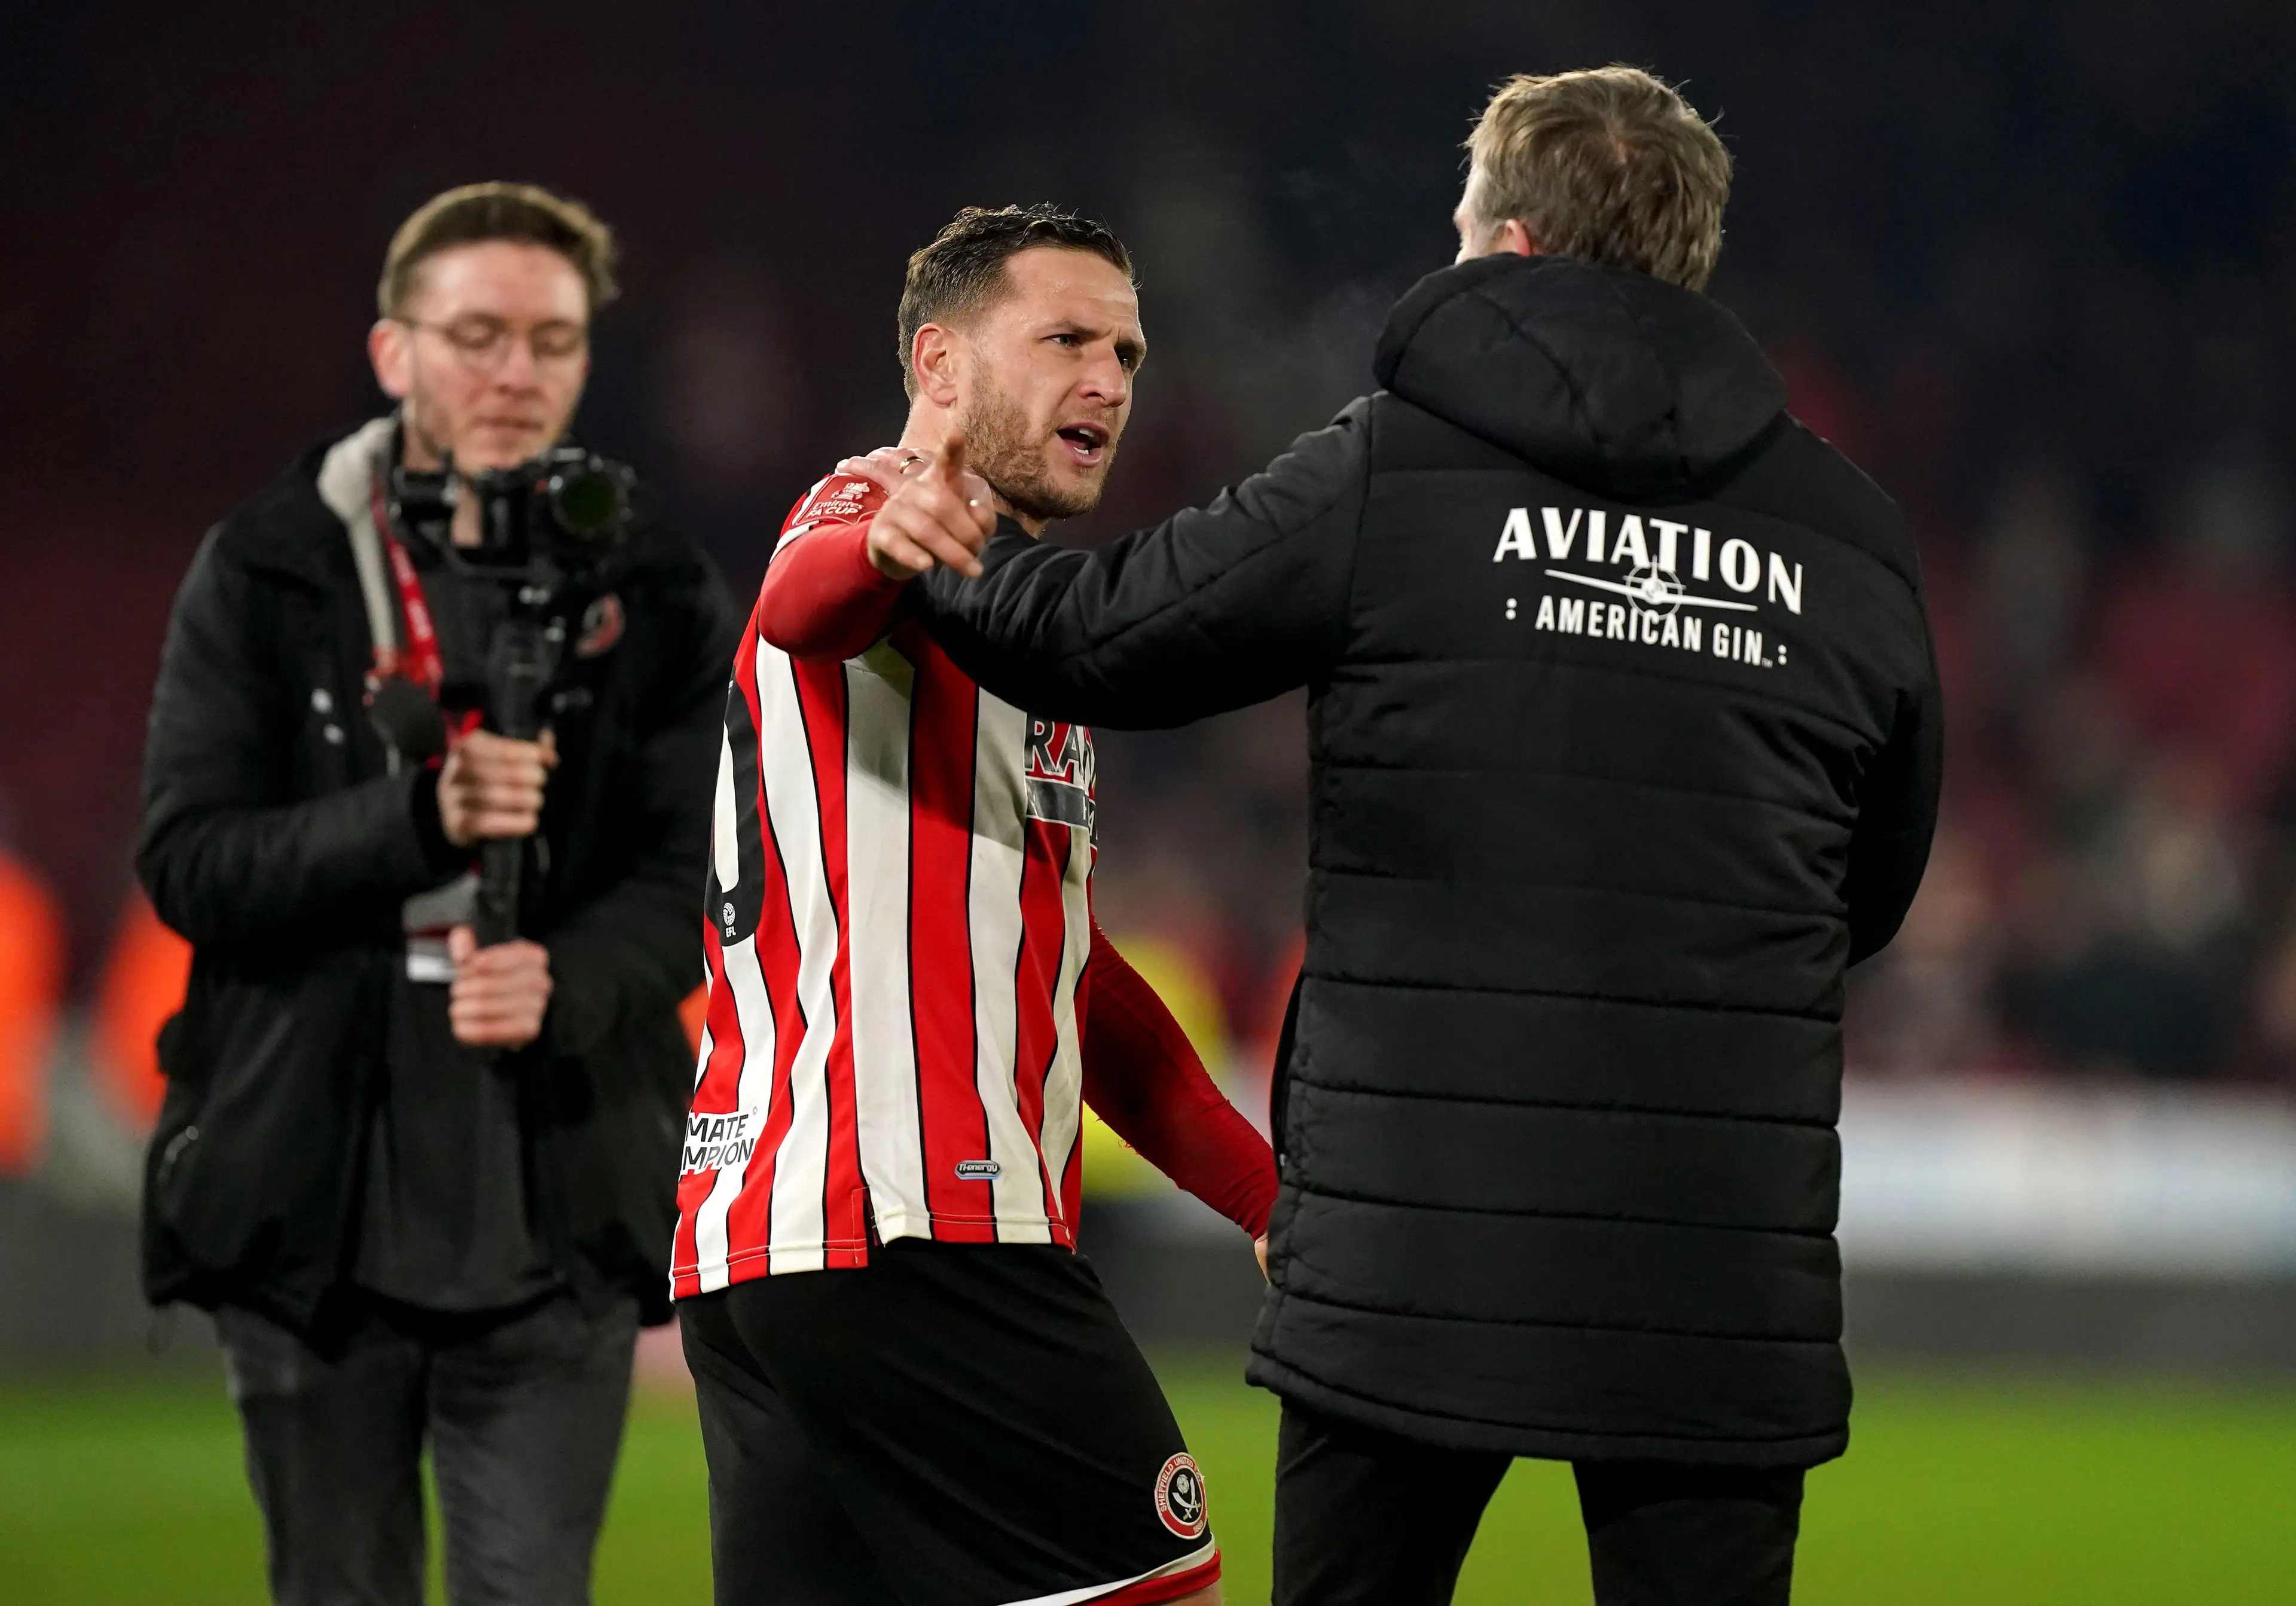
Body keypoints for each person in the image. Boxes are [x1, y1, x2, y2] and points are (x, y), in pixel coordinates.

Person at [868, 70, 1943, 1606]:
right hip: (1714, 1263)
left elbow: (1104, 638)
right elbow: (1870, 890)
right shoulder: (1852, 537)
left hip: (1410, 1246)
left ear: (1508, 246)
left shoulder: (1396, 468)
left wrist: (932, 533)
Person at [138, 182, 740, 1605]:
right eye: (477, 335)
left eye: (553, 339)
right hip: (314, 1187)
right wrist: (418, 817)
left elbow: (700, 877)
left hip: (558, 1191)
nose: (516, 372)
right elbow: (191, 861)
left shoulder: (653, 583)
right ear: (393, 350)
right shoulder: (270, 566)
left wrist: (569, 977)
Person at [673, 204, 1277, 1606]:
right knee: (1159, 1586)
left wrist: (1259, 1191)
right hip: (918, 1222)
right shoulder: (867, 510)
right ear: (938, 364)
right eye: (1064, 339)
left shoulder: (1015, 625)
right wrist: (889, 543)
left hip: (769, 1250)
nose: (1108, 380)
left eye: (1127, 353)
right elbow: (804, 597)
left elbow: (1066, 975)